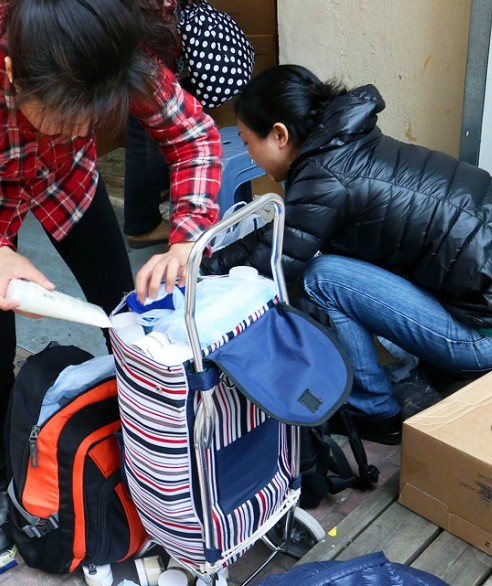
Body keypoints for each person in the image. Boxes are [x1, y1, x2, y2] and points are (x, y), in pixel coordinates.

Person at [0, 0, 222, 554]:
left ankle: (153, 447)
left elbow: (192, 133)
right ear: (12, 78)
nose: (79, 128)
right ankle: (4, 479)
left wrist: (187, 235)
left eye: (90, 119)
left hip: (67, 182)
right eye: (62, 116)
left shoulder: (108, 48)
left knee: (124, 314)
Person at [207, 64, 492, 445]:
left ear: (279, 134)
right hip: (479, 301)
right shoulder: (348, 142)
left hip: (479, 336)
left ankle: (373, 411)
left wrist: (204, 269)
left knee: (322, 277)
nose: (249, 154)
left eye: (246, 142)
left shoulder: (326, 172)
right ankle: (401, 372)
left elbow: (277, 257)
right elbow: (291, 229)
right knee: (342, 265)